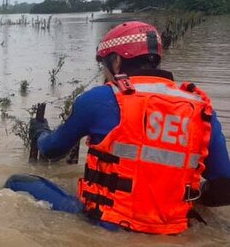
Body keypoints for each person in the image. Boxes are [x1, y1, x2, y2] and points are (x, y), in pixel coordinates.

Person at [28, 21, 230, 234]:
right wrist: (183, 200)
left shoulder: (100, 99)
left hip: (108, 222)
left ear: (116, 62)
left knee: (18, 182)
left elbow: (52, 150)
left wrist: (40, 131)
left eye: (104, 66)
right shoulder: (200, 109)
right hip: (174, 227)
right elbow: (224, 188)